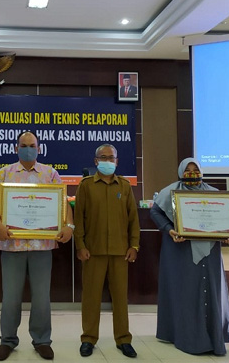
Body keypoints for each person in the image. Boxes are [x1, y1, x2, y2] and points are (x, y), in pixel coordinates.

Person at [0, 131, 73, 361]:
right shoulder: (4, 173)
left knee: (42, 298)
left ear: (39, 148)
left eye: (32, 145)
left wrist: (69, 226)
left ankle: (42, 340)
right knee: (10, 298)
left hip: (42, 246)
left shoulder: (50, 173)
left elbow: (63, 202)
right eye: (23, 145)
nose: (28, 149)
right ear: (16, 148)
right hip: (11, 245)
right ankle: (8, 340)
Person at [150, 158, 229, 356]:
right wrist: (169, 229)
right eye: (187, 169)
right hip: (179, 250)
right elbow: (156, 212)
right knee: (183, 290)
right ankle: (183, 335)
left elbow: (225, 218)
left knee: (211, 288)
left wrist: (228, 233)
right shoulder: (170, 192)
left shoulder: (214, 193)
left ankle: (212, 336)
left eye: (196, 169)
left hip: (210, 250)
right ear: (180, 171)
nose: (192, 173)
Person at [74, 144, 140, 358]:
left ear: (117, 161)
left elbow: (133, 219)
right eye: (103, 157)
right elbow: (78, 219)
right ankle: (88, 339)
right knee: (91, 298)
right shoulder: (86, 186)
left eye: (111, 158)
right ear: (96, 161)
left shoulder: (125, 186)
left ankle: (123, 339)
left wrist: (134, 245)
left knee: (120, 298)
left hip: (120, 252)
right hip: (92, 252)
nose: (107, 161)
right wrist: (80, 245)